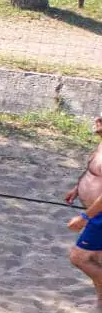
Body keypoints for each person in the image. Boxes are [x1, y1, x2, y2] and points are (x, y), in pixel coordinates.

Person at [66, 114, 102, 303]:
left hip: (99, 215)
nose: (97, 119)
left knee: (79, 257)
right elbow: (93, 172)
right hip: (96, 212)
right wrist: (77, 188)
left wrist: (84, 217)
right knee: (96, 260)